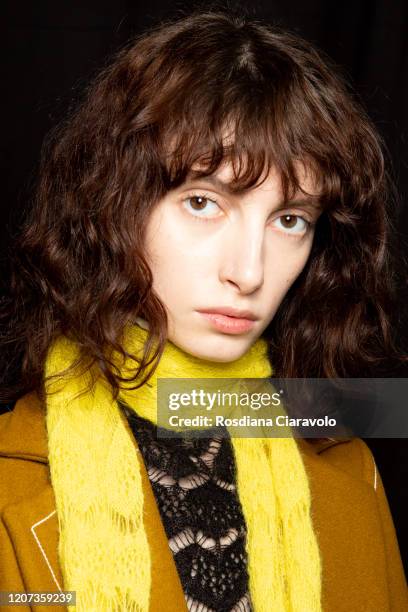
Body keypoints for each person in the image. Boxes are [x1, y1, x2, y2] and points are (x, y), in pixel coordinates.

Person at [0, 10, 407, 612]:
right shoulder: (13, 479)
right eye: (202, 202)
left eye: (290, 220)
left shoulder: (352, 466)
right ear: (115, 206)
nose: (249, 272)